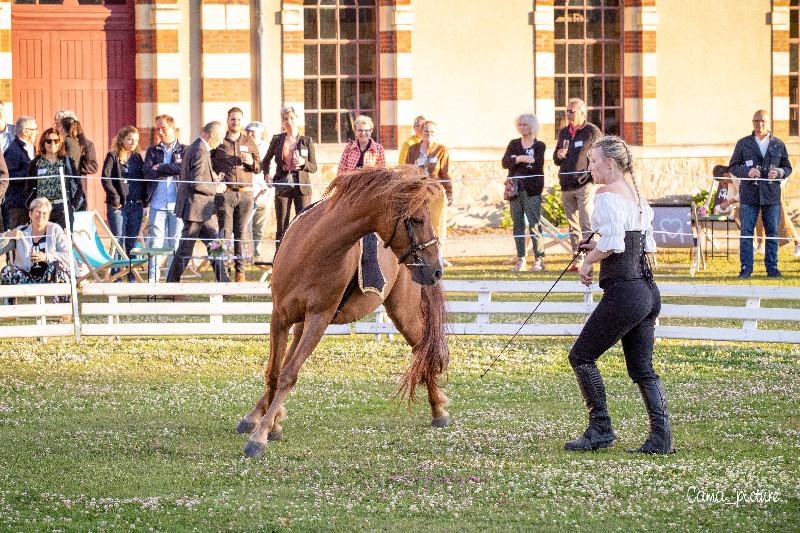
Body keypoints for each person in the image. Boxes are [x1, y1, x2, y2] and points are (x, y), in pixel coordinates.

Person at [565, 135, 673, 455]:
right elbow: (640, 243)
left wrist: (587, 261)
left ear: (609, 164)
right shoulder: (636, 197)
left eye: (593, 161)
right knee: (642, 369)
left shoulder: (606, 195)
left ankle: (600, 429)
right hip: (647, 291)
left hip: (625, 292)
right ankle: (661, 438)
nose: (590, 167)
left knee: (581, 356)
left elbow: (613, 242)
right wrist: (595, 247)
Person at [728, 110, 792, 278]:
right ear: (752, 122)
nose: (759, 124)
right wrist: (747, 171)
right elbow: (733, 166)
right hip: (749, 195)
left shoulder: (778, 144)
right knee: (746, 232)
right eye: (756, 121)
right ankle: (746, 269)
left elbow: (788, 168)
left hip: (771, 195)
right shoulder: (743, 144)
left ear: (768, 122)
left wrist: (779, 172)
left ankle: (772, 268)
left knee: (772, 232)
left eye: (762, 121)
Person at [166, 122, 228, 283]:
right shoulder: (200, 150)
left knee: (215, 245)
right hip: (195, 210)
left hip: (200, 211)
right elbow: (196, 183)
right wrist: (217, 189)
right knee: (185, 250)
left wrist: (212, 177)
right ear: (213, 134)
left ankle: (224, 282)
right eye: (220, 137)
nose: (221, 142)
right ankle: (170, 285)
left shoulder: (197, 147)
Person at [211, 107, 261, 282]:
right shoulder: (220, 141)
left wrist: (251, 162)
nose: (236, 122)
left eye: (239, 119)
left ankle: (240, 272)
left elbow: (259, 166)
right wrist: (216, 179)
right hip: (226, 194)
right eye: (233, 119)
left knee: (241, 233)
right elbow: (209, 166)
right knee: (224, 232)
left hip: (246, 195)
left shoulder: (249, 141)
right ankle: (220, 270)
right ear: (228, 120)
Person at [554, 97, 601, 272]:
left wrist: (593, 174)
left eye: (571, 111)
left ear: (582, 112)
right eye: (566, 111)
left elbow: (600, 154)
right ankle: (578, 259)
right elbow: (555, 159)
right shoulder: (564, 132)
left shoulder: (592, 131)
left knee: (586, 222)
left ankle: (591, 258)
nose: (567, 114)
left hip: (584, 184)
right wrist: (558, 155)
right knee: (572, 225)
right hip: (566, 184)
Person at [262, 105, 317, 247]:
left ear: (297, 119)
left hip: (302, 188)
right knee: (282, 224)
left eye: (292, 118)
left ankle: (302, 258)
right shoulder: (277, 139)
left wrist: (304, 163)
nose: (289, 121)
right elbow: (266, 160)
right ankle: (279, 260)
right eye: (285, 118)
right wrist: (267, 174)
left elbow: (314, 167)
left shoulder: (306, 141)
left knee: (303, 224)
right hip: (283, 185)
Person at [0, 198, 70, 303]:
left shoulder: (55, 229)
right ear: (30, 214)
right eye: (37, 212)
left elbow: (68, 256)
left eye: (44, 213)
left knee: (57, 266)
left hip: (50, 276)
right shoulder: (21, 231)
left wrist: (46, 257)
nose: (41, 215)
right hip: (27, 276)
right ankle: (10, 309)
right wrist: (7, 235)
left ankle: (62, 309)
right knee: (7, 271)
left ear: (49, 215)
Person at [143, 114, 187, 282]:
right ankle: (152, 280)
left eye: (163, 128)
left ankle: (171, 280)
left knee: (174, 244)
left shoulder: (184, 150)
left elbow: (182, 169)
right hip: (157, 203)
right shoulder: (152, 151)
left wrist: (161, 167)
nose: (160, 132)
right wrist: (171, 168)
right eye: (157, 129)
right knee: (155, 243)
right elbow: (147, 172)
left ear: (172, 128)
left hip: (178, 204)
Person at [501, 113, 547, 272]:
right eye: (519, 124)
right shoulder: (513, 144)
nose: (521, 127)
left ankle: (539, 260)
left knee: (534, 224)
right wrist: (520, 158)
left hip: (532, 190)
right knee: (517, 225)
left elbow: (536, 165)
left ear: (532, 126)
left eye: (525, 125)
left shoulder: (539, 146)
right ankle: (521, 259)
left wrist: (516, 161)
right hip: (514, 190)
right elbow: (505, 162)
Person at [406, 120, 452, 265]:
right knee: (419, 224)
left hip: (436, 193)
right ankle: (419, 255)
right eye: (426, 131)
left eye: (432, 132)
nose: (429, 134)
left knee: (437, 224)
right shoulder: (413, 149)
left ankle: (439, 256)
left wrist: (449, 192)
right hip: (418, 192)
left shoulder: (442, 150)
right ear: (421, 132)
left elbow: (445, 173)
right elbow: (407, 170)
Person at [101, 125, 145, 257]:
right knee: (118, 241)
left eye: (136, 140)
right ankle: (117, 276)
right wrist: (115, 198)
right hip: (118, 206)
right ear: (122, 139)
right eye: (130, 139)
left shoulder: (137, 158)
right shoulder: (112, 156)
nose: (133, 143)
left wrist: (145, 199)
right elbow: (105, 178)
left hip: (136, 205)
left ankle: (131, 276)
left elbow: (143, 179)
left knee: (132, 242)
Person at [25, 128, 80, 229]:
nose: (52, 144)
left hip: (62, 208)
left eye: (56, 141)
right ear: (43, 143)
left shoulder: (67, 162)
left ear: (60, 143)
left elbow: (78, 185)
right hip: (42, 209)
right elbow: (28, 187)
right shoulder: (35, 163)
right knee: (43, 241)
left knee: (64, 240)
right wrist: (31, 206)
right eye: (49, 141)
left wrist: (72, 206)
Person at [3, 116, 38, 230]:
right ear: (25, 131)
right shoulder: (13, 151)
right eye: (34, 129)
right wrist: (32, 174)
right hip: (18, 205)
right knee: (19, 239)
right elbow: (10, 176)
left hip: (29, 203)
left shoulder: (31, 147)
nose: (37, 132)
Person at [246, 121, 273, 259]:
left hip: (264, 192)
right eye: (248, 131)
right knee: (247, 225)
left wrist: (268, 187)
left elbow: (271, 169)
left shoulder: (268, 147)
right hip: (248, 191)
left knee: (260, 225)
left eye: (253, 131)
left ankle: (257, 251)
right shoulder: (243, 146)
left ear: (260, 133)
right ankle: (248, 253)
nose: (250, 134)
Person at [60, 117, 97, 209]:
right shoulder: (66, 142)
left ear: (63, 128)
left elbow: (93, 166)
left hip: (72, 187)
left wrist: (77, 166)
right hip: (76, 187)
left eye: (58, 125)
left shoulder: (68, 142)